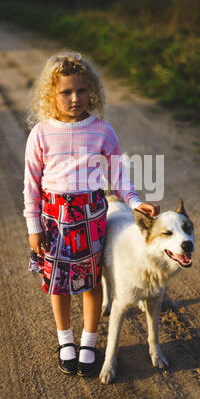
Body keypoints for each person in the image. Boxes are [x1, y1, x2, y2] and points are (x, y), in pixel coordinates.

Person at [23, 52, 159, 377]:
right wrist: (33, 225)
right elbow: (30, 184)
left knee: (89, 280)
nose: (74, 99)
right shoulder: (41, 133)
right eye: (65, 92)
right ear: (51, 95)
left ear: (91, 91)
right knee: (59, 283)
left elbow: (118, 176)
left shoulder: (102, 130)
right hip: (54, 219)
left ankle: (89, 338)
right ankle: (64, 338)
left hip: (91, 216)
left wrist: (135, 201)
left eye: (81, 91)